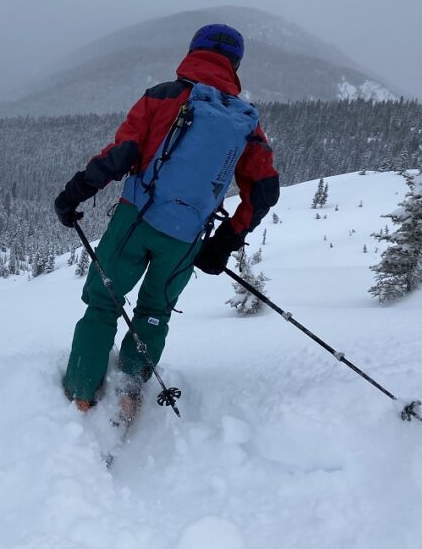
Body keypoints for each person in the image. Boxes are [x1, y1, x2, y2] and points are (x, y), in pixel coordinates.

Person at [54, 23, 279, 417]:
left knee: (103, 303)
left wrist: (73, 194)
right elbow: (263, 192)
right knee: (154, 312)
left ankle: (82, 393)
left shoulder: (163, 97)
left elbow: (120, 155)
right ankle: (129, 391)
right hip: (187, 237)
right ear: (236, 64)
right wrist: (222, 244)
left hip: (135, 221)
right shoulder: (246, 123)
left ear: (193, 51)